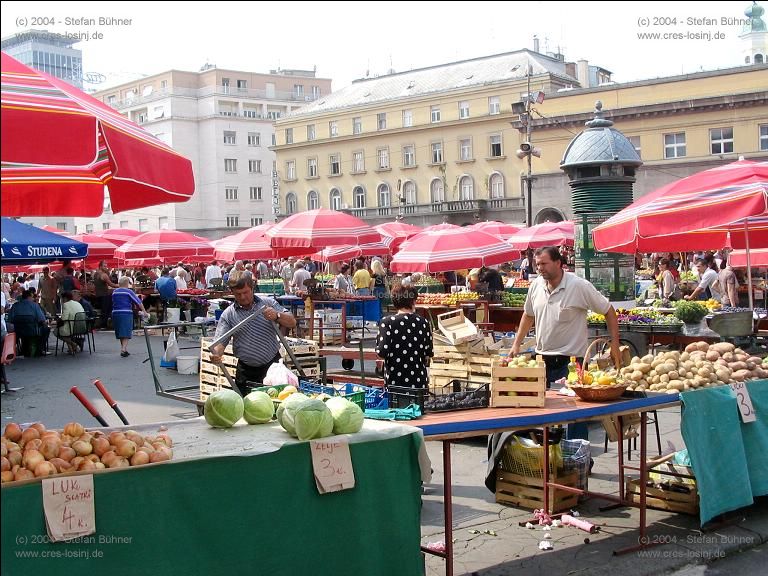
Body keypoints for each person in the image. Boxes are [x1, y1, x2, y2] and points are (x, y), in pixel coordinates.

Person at [510, 246, 621, 440]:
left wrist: (614, 343)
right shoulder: (536, 286)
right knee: (541, 413)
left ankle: (579, 457)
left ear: (559, 263)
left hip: (571, 362)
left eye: (544, 264)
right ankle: (548, 458)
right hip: (542, 359)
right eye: (537, 264)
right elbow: (528, 315)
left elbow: (608, 311)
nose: (540, 268)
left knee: (575, 416)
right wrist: (516, 344)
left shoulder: (579, 286)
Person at [211, 275, 297, 396]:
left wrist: (277, 316)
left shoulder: (267, 303)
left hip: (272, 367)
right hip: (246, 371)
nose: (242, 297)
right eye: (238, 294)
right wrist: (216, 354)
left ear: (252, 288)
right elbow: (219, 342)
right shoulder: (228, 314)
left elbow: (292, 322)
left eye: (245, 292)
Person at [375, 282, 433, 389]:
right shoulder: (423, 322)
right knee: (418, 406)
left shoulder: (387, 322)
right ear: (413, 301)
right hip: (418, 380)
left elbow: (381, 352)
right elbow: (428, 352)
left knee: (397, 405)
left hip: (395, 380)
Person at [112, 276, 148, 357]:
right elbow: (138, 302)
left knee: (121, 331)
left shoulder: (114, 292)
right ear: (127, 284)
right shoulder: (128, 292)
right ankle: (123, 349)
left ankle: (124, 349)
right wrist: (144, 311)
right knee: (126, 331)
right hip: (126, 313)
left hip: (115, 312)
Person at [8, 289, 50, 357]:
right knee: (46, 329)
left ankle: (22, 350)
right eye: (32, 297)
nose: (33, 298)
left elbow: (10, 319)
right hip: (33, 330)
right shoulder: (34, 306)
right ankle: (39, 350)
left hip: (18, 331)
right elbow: (42, 319)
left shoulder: (15, 306)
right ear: (29, 297)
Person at [56, 291, 86, 355]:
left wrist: (57, 320)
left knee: (56, 331)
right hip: (82, 326)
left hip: (72, 326)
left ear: (64, 298)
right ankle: (71, 349)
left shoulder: (66, 304)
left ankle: (73, 344)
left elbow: (64, 318)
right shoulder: (77, 303)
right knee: (64, 329)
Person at [92, 260, 118, 329]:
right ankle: (104, 325)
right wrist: (121, 285)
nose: (106, 267)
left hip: (98, 295)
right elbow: (111, 284)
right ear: (100, 266)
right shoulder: (104, 275)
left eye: (106, 266)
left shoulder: (95, 274)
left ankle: (103, 324)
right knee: (106, 310)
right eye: (104, 266)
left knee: (104, 310)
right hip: (104, 295)